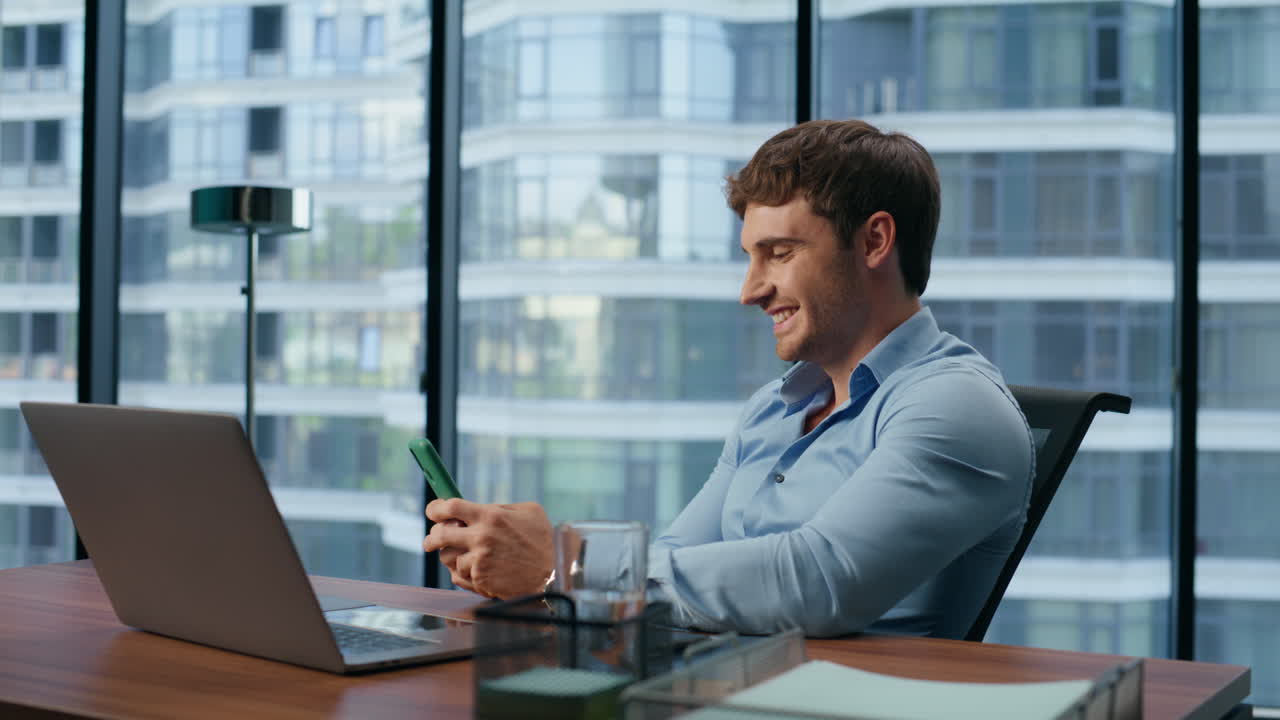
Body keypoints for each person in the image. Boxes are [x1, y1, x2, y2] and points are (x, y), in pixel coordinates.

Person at [423, 119, 1034, 639]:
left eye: (781, 253)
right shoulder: (774, 408)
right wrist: (535, 573)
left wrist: (563, 571)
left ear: (874, 241)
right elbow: (679, 564)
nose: (750, 290)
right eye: (750, 257)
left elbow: (820, 580)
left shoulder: (957, 405)